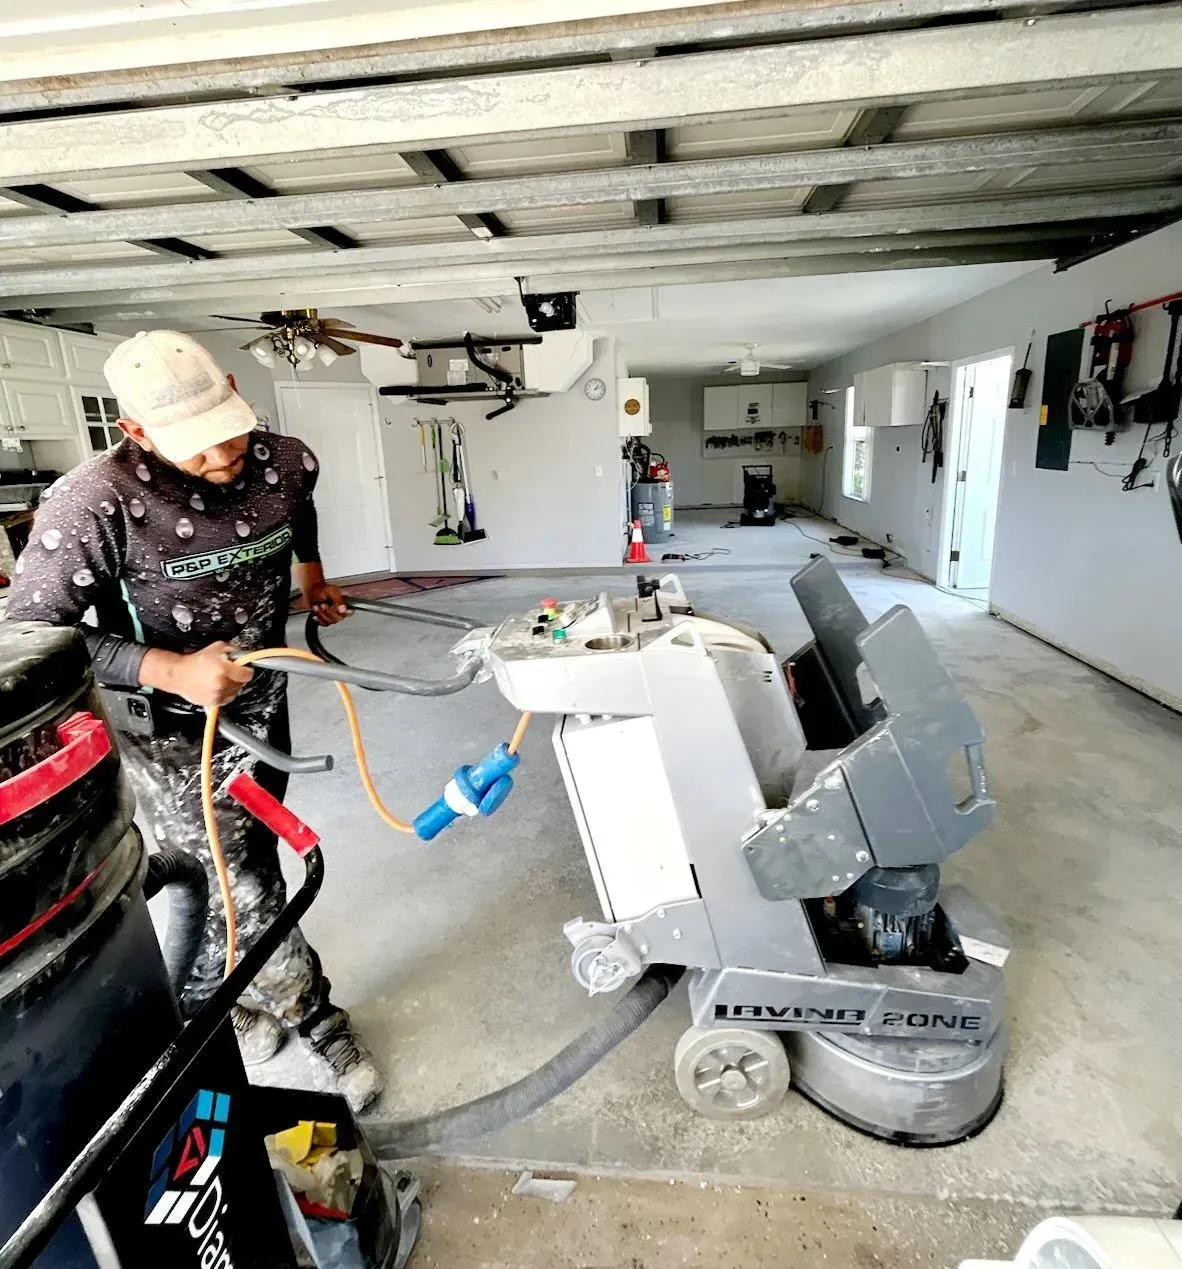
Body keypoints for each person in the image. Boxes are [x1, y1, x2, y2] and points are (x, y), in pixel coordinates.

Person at [6, 330, 383, 1112]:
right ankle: (313, 1016)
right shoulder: (92, 502)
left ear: (235, 390)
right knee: (236, 874)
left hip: (261, 699)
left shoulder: (287, 461)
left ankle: (225, 996)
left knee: (246, 857)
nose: (222, 458)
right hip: (170, 727)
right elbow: (31, 636)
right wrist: (170, 667)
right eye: (196, 446)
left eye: (227, 433)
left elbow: (297, 512)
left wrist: (312, 577)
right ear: (135, 430)